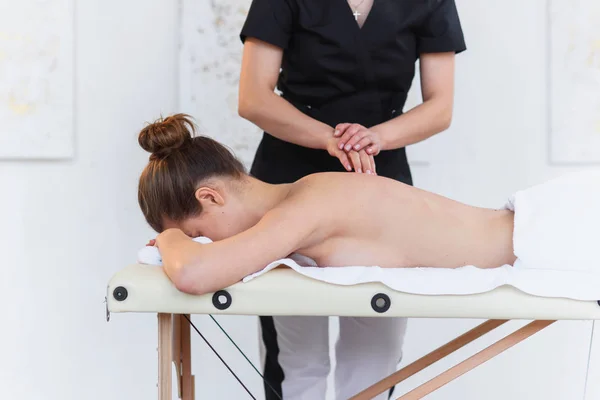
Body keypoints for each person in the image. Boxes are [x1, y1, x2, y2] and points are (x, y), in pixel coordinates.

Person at [235, 0, 467, 398]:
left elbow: (440, 107)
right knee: (297, 355)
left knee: (375, 350)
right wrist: (329, 138)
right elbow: (253, 97)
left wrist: (377, 138)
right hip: (288, 185)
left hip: (380, 187)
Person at [137, 113, 514, 300]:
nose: (203, 243)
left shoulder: (303, 208)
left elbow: (192, 275)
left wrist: (170, 239)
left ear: (210, 197)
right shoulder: (302, 197)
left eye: (197, 234)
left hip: (539, 238)